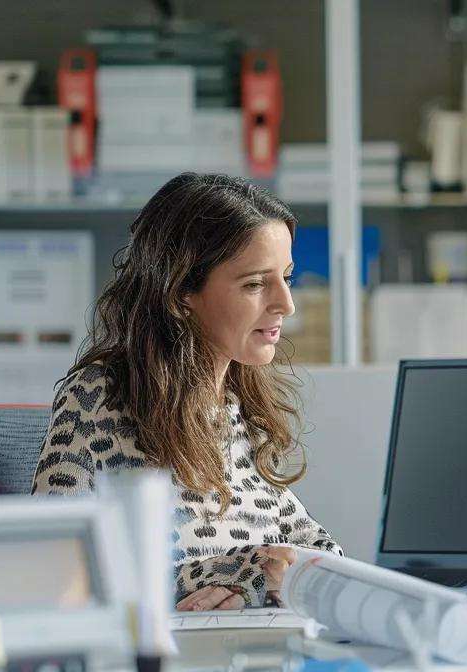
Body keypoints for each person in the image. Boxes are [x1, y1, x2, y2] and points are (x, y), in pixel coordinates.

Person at [32, 172, 341, 612]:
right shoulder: (101, 398)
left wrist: (255, 580)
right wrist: (243, 574)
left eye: (286, 278)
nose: (286, 304)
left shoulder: (237, 407)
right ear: (181, 293)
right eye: (255, 284)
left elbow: (320, 553)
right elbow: (57, 573)